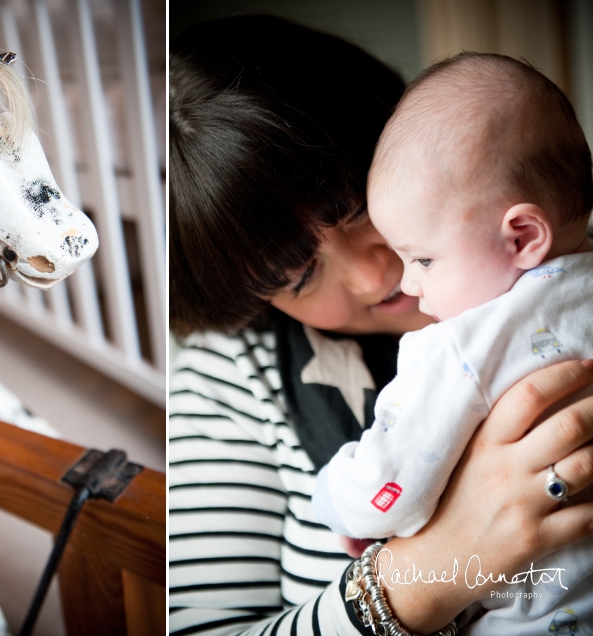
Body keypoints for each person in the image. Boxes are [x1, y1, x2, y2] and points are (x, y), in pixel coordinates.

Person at [169, 16, 593, 636]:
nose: (376, 276)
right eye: (300, 276)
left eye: (362, 210)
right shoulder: (230, 377)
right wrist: (434, 571)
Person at [311, 52, 593, 634]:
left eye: (423, 259)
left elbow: (393, 486)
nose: (405, 282)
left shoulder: (457, 346)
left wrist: (336, 500)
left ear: (521, 236)